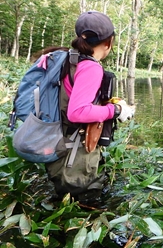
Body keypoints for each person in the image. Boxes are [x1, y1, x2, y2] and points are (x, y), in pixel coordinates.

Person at [44, 11, 134, 205]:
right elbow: (78, 112)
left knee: (63, 206)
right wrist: (116, 111)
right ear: (109, 42)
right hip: (73, 156)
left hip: (57, 144)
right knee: (86, 207)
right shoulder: (91, 67)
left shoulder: (68, 58)